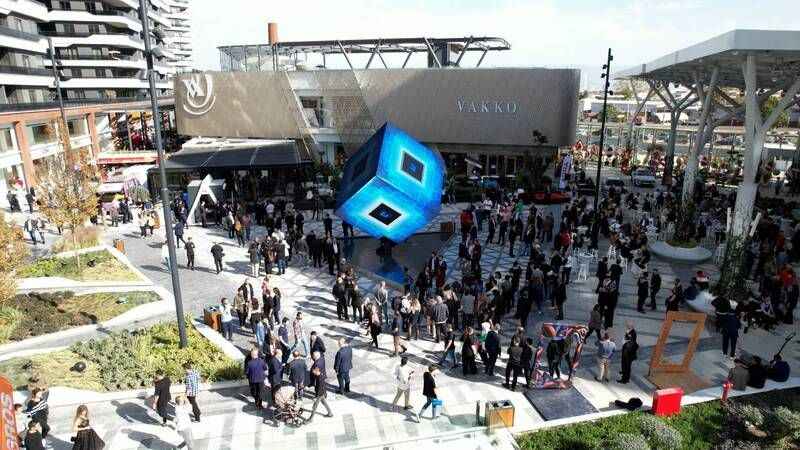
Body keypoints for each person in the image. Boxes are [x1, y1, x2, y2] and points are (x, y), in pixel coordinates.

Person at [306, 352, 332, 423]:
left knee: (315, 405)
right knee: (323, 401)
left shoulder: (317, 365)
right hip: (321, 387)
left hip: (320, 389)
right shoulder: (322, 359)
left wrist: (317, 394)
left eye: (313, 356)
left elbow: (315, 373)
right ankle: (330, 413)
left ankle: (311, 418)